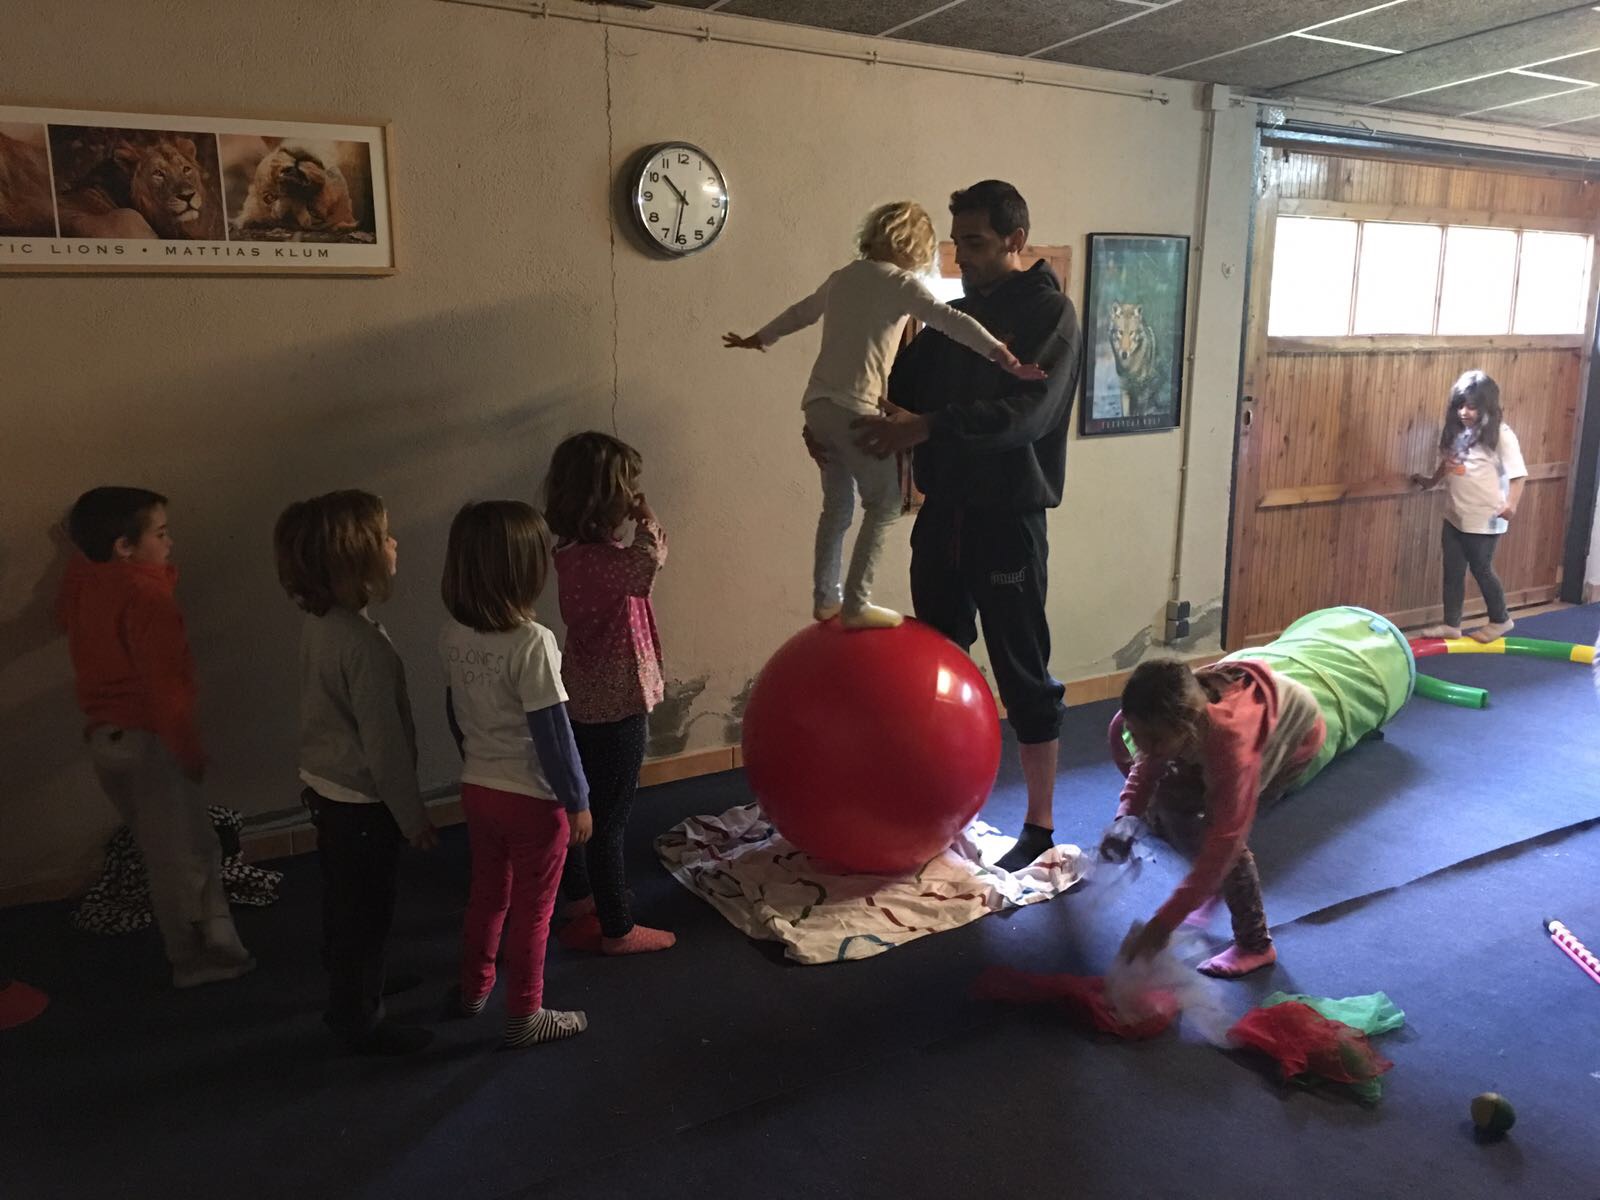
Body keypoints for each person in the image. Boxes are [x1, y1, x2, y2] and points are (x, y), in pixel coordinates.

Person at [849, 180, 1082, 870]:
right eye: (957, 244)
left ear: (1016, 240)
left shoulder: (1049, 315)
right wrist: (840, 422)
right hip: (944, 514)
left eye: (976, 243)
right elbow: (895, 396)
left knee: (1021, 669)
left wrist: (926, 427)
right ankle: (942, 803)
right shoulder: (952, 319)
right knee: (938, 662)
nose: (962, 258)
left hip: (1008, 517)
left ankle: (1038, 826)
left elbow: (1026, 416)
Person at [726, 199, 1044, 630]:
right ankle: (856, 602)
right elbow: (951, 320)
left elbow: (800, 313)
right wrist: (1004, 357)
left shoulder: (843, 277)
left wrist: (760, 338)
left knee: (837, 506)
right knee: (885, 504)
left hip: (817, 407)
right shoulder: (899, 283)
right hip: (856, 407)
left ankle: (825, 597)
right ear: (916, 246)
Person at [57, 487, 254, 988]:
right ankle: (192, 959)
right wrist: (187, 750)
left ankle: (214, 943)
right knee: (183, 857)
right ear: (124, 546)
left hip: (106, 743)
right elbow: (166, 686)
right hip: (149, 741)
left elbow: (66, 606)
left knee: (173, 849)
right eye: (161, 534)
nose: (170, 543)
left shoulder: (86, 582)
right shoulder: (148, 598)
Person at [274, 490, 438, 1055]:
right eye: (383, 537)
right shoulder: (362, 645)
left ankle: (359, 980)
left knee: (344, 901)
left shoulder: (324, 622)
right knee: (367, 912)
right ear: (355, 560)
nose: (394, 543)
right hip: (363, 805)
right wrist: (413, 818)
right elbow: (384, 749)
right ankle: (358, 1016)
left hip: (328, 790)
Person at [441, 500, 594, 1046]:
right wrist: (577, 800)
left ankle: (473, 989)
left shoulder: (453, 634)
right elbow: (554, 734)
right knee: (535, 910)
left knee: (487, 895)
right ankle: (526, 1014)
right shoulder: (533, 642)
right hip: (531, 800)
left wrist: (475, 761)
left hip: (478, 790)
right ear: (524, 570)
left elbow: (455, 712)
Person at [1100, 657, 1325, 979]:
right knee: (1172, 803)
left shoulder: (1230, 749)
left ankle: (1255, 945)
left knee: (1222, 843)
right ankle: (1212, 886)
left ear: (1188, 726)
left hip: (1294, 733)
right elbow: (1148, 764)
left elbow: (1226, 840)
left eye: (1154, 740)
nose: (1144, 746)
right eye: (1136, 735)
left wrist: (1163, 924)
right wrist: (1126, 817)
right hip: (1228, 720)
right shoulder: (1164, 721)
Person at [544, 433, 676, 954]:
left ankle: (581, 896)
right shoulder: (608, 561)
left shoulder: (573, 553)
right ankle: (617, 928)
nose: (635, 495)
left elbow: (643, 568)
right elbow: (649, 564)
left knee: (584, 801)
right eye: (629, 487)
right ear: (605, 498)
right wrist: (649, 519)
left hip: (586, 696)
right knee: (610, 818)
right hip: (617, 704)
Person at [1411, 369, 1526, 642]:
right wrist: (1430, 482)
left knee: (1481, 568)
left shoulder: (1501, 435)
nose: (1464, 412)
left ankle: (1500, 619)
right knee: (1452, 570)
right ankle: (1452, 624)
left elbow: (1519, 474)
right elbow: (1449, 464)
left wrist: (1511, 504)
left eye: (1472, 407)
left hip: (1484, 518)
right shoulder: (1458, 431)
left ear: (1487, 407)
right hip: (1455, 515)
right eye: (1460, 405)